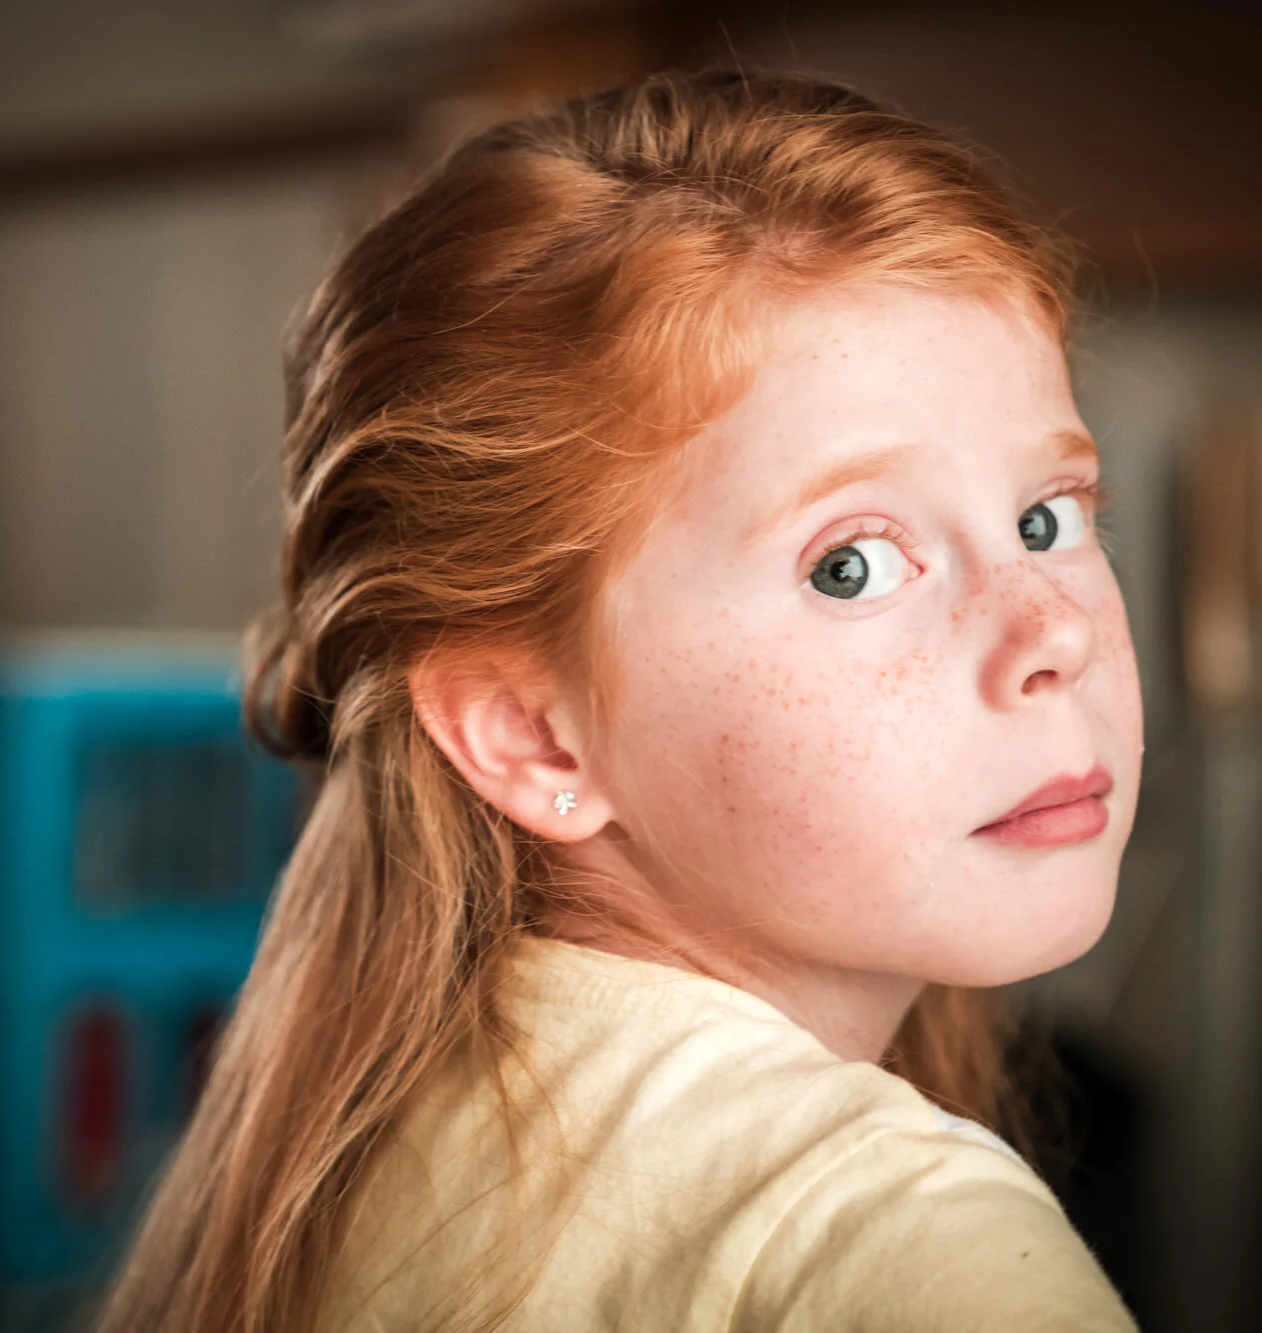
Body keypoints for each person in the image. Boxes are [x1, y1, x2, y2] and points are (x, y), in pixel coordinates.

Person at [99, 66, 1144, 1333]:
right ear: (531, 733)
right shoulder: (898, 1236)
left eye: (1046, 517)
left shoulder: (362, 1140)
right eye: (850, 564)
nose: (1053, 634)